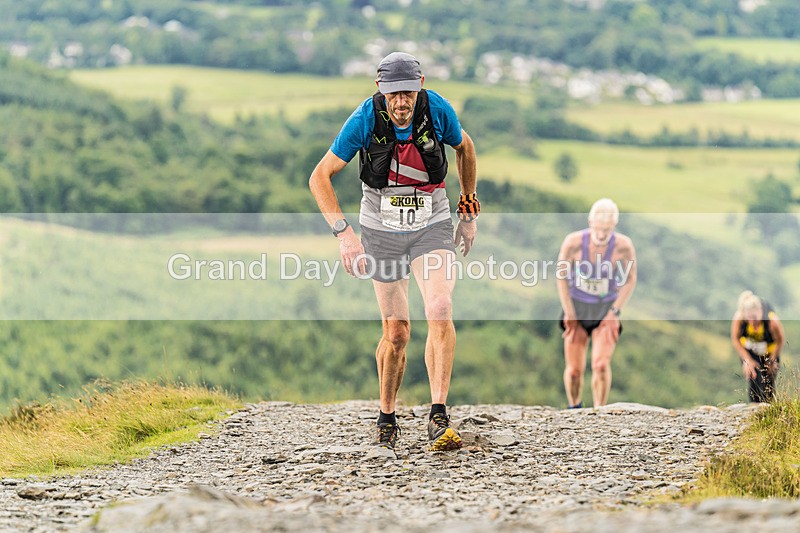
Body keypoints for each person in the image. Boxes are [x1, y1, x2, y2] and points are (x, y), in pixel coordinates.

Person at [309, 52, 479, 457]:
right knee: (397, 332)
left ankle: (438, 415)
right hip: (381, 226)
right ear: (379, 90)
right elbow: (319, 177)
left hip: (432, 222)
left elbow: (465, 148)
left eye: (407, 93)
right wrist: (344, 234)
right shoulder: (364, 119)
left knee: (439, 306)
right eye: (392, 95)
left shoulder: (436, 109)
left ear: (419, 85)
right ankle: (387, 416)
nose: (401, 103)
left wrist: (468, 209)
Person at [557, 198, 637, 408]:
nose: (602, 235)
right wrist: (569, 312)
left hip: (605, 307)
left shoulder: (623, 246)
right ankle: (575, 407)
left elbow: (630, 279)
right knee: (574, 370)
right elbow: (561, 277)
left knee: (600, 364)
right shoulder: (573, 243)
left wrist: (615, 310)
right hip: (577, 305)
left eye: (607, 230)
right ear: (590, 222)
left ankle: (599, 410)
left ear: (614, 226)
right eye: (599, 229)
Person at [731, 290, 785, 403]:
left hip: (770, 352)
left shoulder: (771, 321)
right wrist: (747, 360)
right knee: (754, 378)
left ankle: (769, 410)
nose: (752, 322)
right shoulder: (739, 319)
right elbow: (736, 339)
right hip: (750, 352)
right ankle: (754, 410)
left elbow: (780, 340)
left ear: (760, 312)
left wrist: (773, 359)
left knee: (767, 382)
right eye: (749, 318)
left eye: (755, 318)